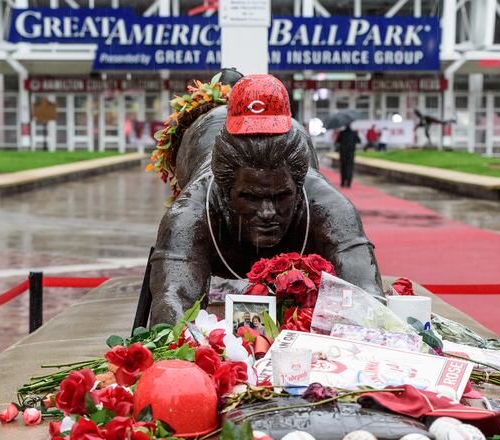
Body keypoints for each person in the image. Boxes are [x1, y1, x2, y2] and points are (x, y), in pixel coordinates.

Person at [149, 74, 384, 324]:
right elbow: (172, 302)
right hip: (199, 145)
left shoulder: (329, 207)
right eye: (250, 198)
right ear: (225, 191)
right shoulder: (190, 213)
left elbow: (368, 299)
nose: (268, 212)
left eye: (281, 196)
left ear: (300, 183)